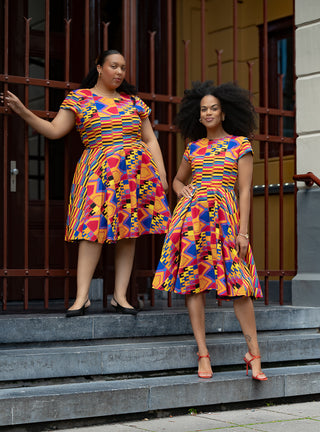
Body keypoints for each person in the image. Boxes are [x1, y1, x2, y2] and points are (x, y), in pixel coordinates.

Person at [1, 49, 171, 316]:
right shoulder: (79, 98)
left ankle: (120, 297)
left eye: (123, 68)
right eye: (114, 66)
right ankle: (82, 298)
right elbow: (55, 131)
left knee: (129, 232)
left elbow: (149, 139)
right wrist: (24, 111)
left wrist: (160, 172)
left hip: (135, 172)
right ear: (99, 67)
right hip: (97, 170)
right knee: (91, 231)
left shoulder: (134, 102)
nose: (119, 72)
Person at [152, 81, 267, 381]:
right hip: (192, 220)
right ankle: (203, 354)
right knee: (194, 284)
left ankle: (254, 354)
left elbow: (244, 191)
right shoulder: (193, 148)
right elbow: (177, 181)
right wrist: (182, 190)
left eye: (213, 108)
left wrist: (243, 233)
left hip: (226, 219)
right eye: (203, 109)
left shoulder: (240, 145)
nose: (208, 113)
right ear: (198, 115)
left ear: (224, 112)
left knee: (240, 286)